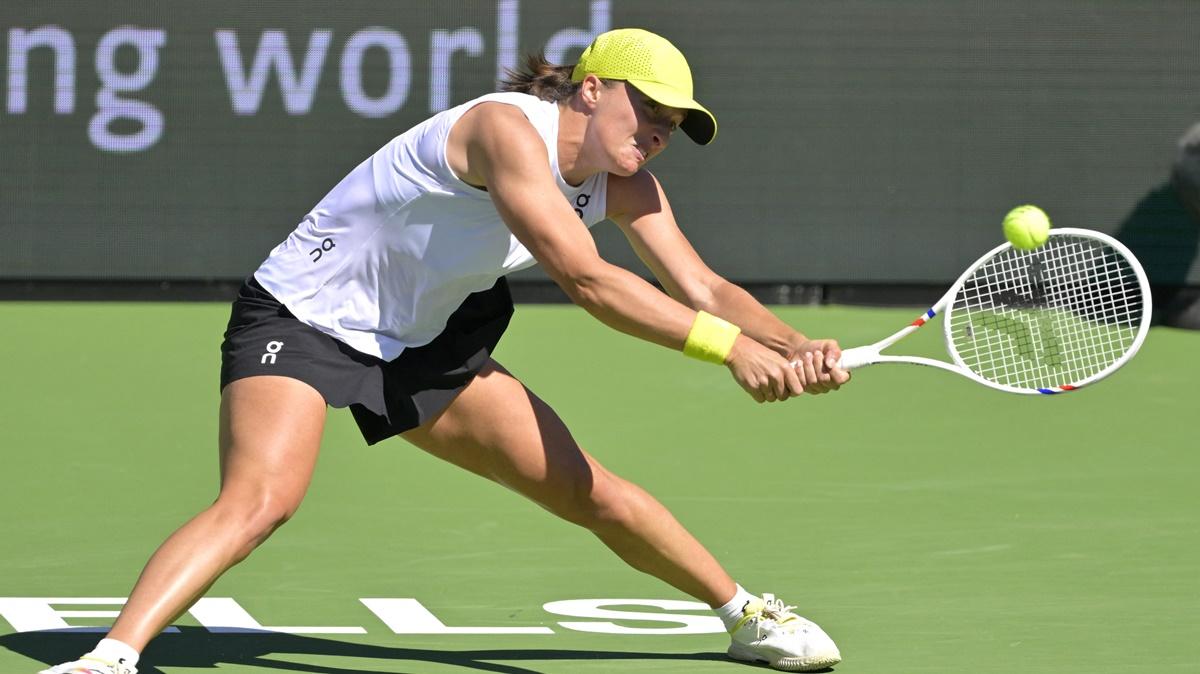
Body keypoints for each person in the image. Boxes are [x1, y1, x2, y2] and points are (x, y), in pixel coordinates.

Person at [42, 28, 851, 674]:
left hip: (422, 339)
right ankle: (107, 660)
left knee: (585, 489)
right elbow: (585, 278)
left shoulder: (627, 180)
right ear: (593, 89)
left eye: (672, 126)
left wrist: (792, 342)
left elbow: (705, 287)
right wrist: (731, 352)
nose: (658, 134)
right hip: (305, 314)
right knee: (262, 499)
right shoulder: (505, 128)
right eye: (648, 111)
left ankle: (744, 615)